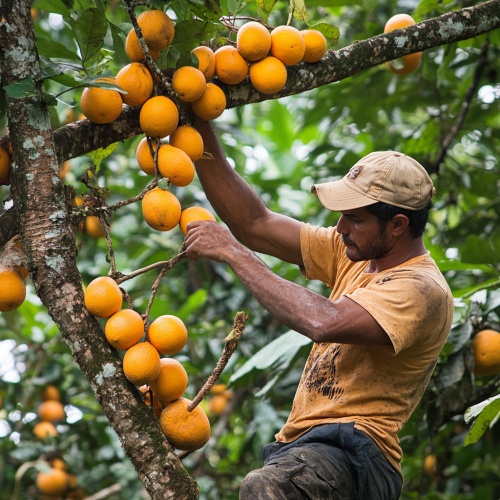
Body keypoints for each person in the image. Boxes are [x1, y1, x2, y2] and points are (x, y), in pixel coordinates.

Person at [184, 119, 454, 500]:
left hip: (356, 455)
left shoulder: (421, 290)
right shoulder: (357, 254)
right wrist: (197, 126)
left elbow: (323, 321)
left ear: (397, 224)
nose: (341, 227)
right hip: (309, 448)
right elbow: (254, 223)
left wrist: (232, 252)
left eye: (355, 218)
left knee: (265, 488)